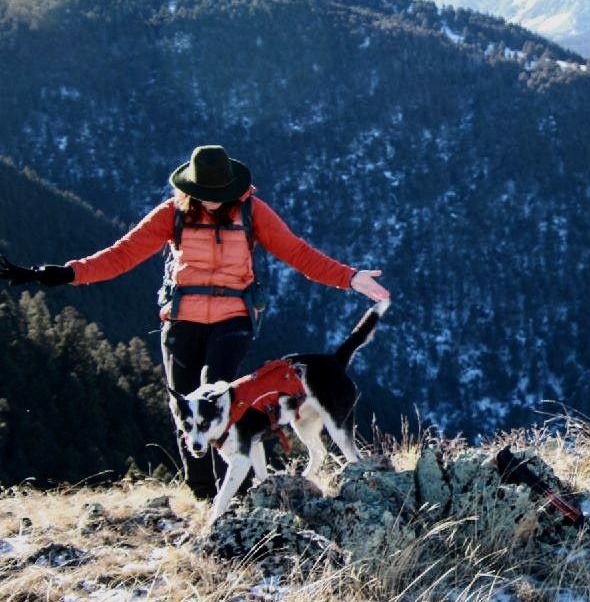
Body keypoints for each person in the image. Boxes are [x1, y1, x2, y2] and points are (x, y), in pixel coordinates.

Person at [0, 144, 390, 499]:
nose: (214, 201)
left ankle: (235, 489)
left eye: (221, 194)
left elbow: (298, 253)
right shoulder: (171, 214)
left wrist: (350, 277)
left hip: (233, 317)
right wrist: (64, 273)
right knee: (184, 401)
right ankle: (202, 491)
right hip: (182, 318)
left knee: (221, 394)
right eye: (206, 193)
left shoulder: (253, 211)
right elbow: (121, 255)